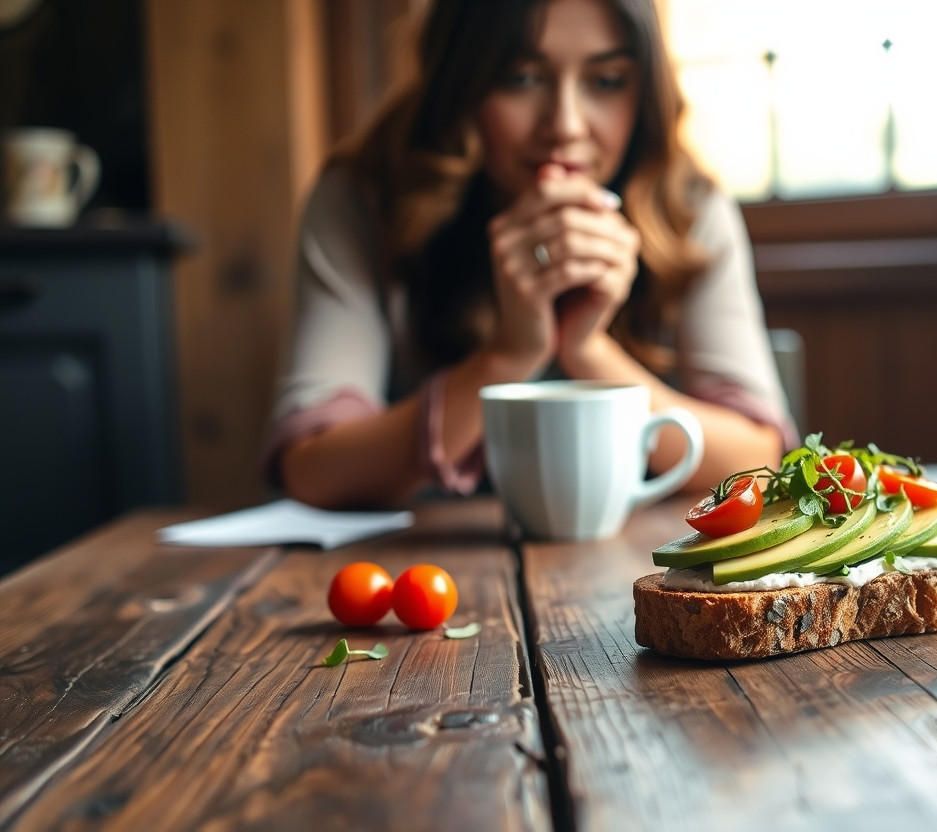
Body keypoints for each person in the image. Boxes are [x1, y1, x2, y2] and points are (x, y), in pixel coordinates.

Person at [266, 0, 794, 509]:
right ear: (461, 81)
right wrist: (508, 355)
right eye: (521, 78)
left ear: (644, 91)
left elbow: (756, 459)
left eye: (606, 81)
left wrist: (588, 352)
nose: (565, 124)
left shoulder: (688, 207)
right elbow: (311, 467)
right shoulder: (364, 198)